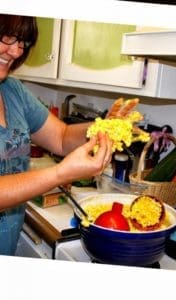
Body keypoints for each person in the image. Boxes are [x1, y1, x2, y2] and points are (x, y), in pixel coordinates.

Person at [0, 14, 113, 256]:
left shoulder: (12, 90)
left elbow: (61, 137)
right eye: (7, 37)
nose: (16, 51)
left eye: (22, 42)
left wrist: (106, 126)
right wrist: (60, 173)